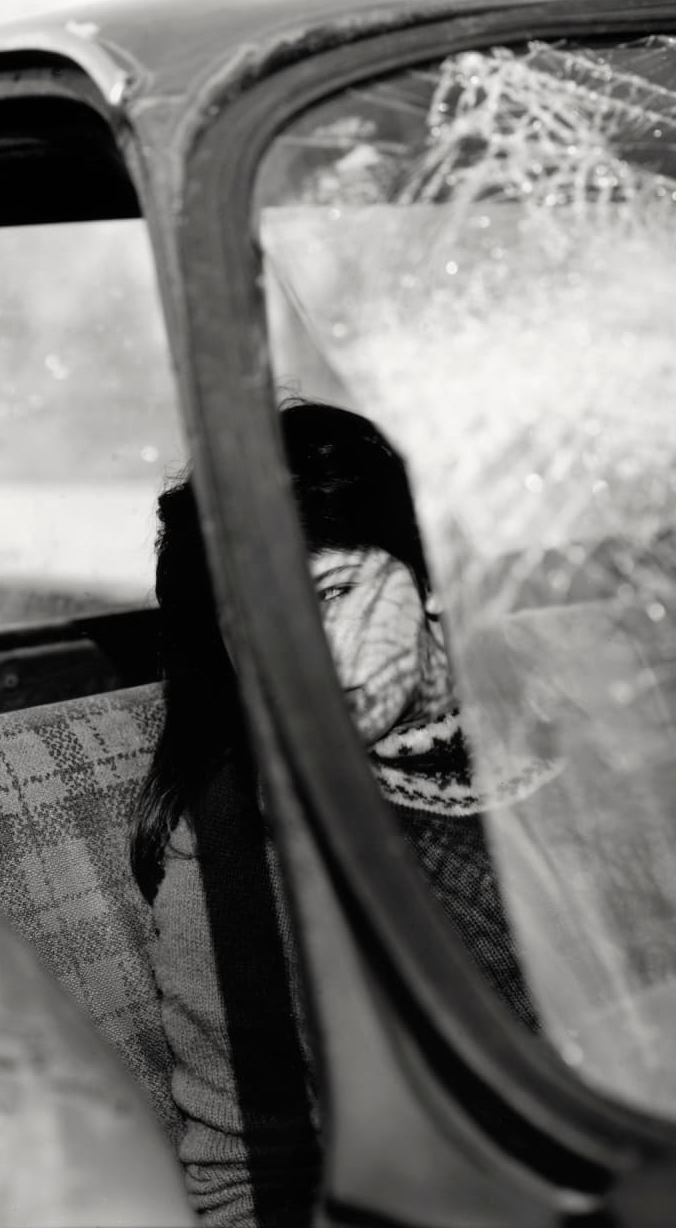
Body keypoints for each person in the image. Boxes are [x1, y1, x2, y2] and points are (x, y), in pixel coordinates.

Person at [130, 401, 536, 1228]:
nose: (300, 654)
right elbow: (247, 1180)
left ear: (429, 584)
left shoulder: (578, 736)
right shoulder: (234, 853)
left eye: (335, 593)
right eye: (255, 623)